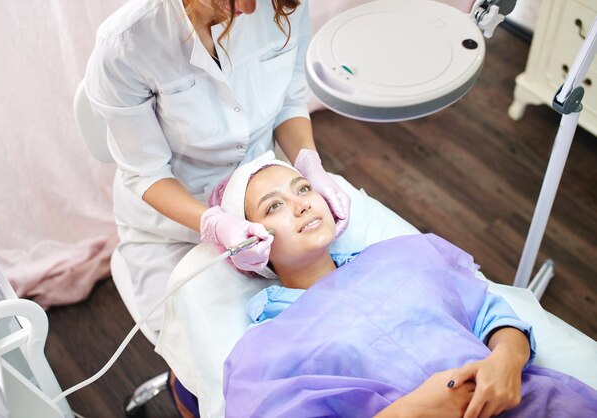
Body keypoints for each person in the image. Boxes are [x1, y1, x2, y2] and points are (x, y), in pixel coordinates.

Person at [213, 153, 597, 418]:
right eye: (273, 206)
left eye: (302, 189)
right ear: (249, 243)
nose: (302, 205)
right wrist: (412, 410)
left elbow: (489, 313)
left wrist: (506, 362)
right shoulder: (266, 349)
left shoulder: (402, 257)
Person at [84, 0, 350, 332]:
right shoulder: (127, 44)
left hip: (261, 181)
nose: (252, 9)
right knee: (200, 339)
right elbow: (147, 171)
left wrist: (311, 167)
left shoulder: (285, 3)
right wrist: (213, 222)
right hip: (174, 228)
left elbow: (290, 102)